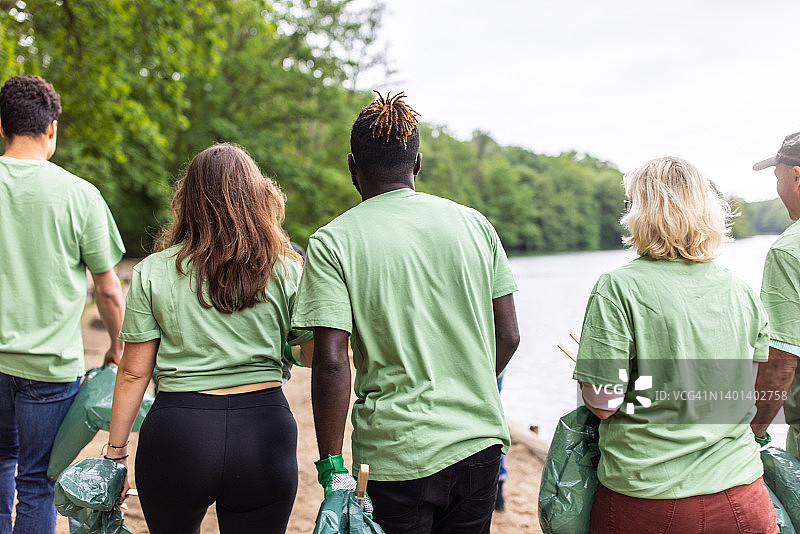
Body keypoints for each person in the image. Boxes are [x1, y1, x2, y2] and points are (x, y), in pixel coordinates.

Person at [292, 91, 520, 533]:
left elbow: (332, 360)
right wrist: (468, 385)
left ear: (352, 167)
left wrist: (331, 465)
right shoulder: (475, 225)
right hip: (480, 444)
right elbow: (508, 335)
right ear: (417, 164)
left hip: (397, 454)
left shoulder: (332, 242)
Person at [108, 143, 313, 533]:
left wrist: (116, 451)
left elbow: (133, 372)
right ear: (259, 197)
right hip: (264, 434)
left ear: (187, 201)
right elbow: (312, 352)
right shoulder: (287, 269)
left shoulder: (152, 271)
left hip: (178, 435)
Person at [575, 157, 777, 533]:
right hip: (743, 494)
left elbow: (604, 403)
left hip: (650, 498)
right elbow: (738, 395)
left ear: (640, 212)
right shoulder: (742, 292)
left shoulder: (618, 287)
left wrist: (593, 374)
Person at [0, 75, 125, 534]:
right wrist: (119, 347)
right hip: (49, 370)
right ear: (52, 129)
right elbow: (108, 290)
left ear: (1, 125)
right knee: (35, 481)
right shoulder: (80, 194)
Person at [751, 132, 800, 459]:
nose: (778, 189)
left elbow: (781, 363)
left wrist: (752, 432)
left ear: (796, 176)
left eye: (777, 177)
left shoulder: (789, 249)